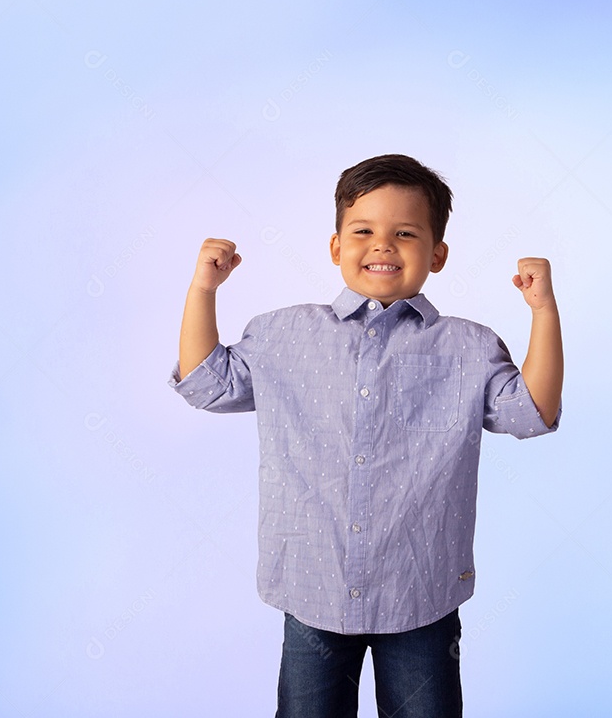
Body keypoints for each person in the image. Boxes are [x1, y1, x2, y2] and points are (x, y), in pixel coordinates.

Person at [169, 153, 563, 717]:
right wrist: (203, 289)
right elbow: (206, 384)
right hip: (313, 590)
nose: (382, 245)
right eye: (363, 231)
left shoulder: (469, 347)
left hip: (421, 594)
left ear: (438, 253)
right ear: (336, 247)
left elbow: (531, 414)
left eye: (405, 233)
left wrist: (543, 310)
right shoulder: (283, 334)